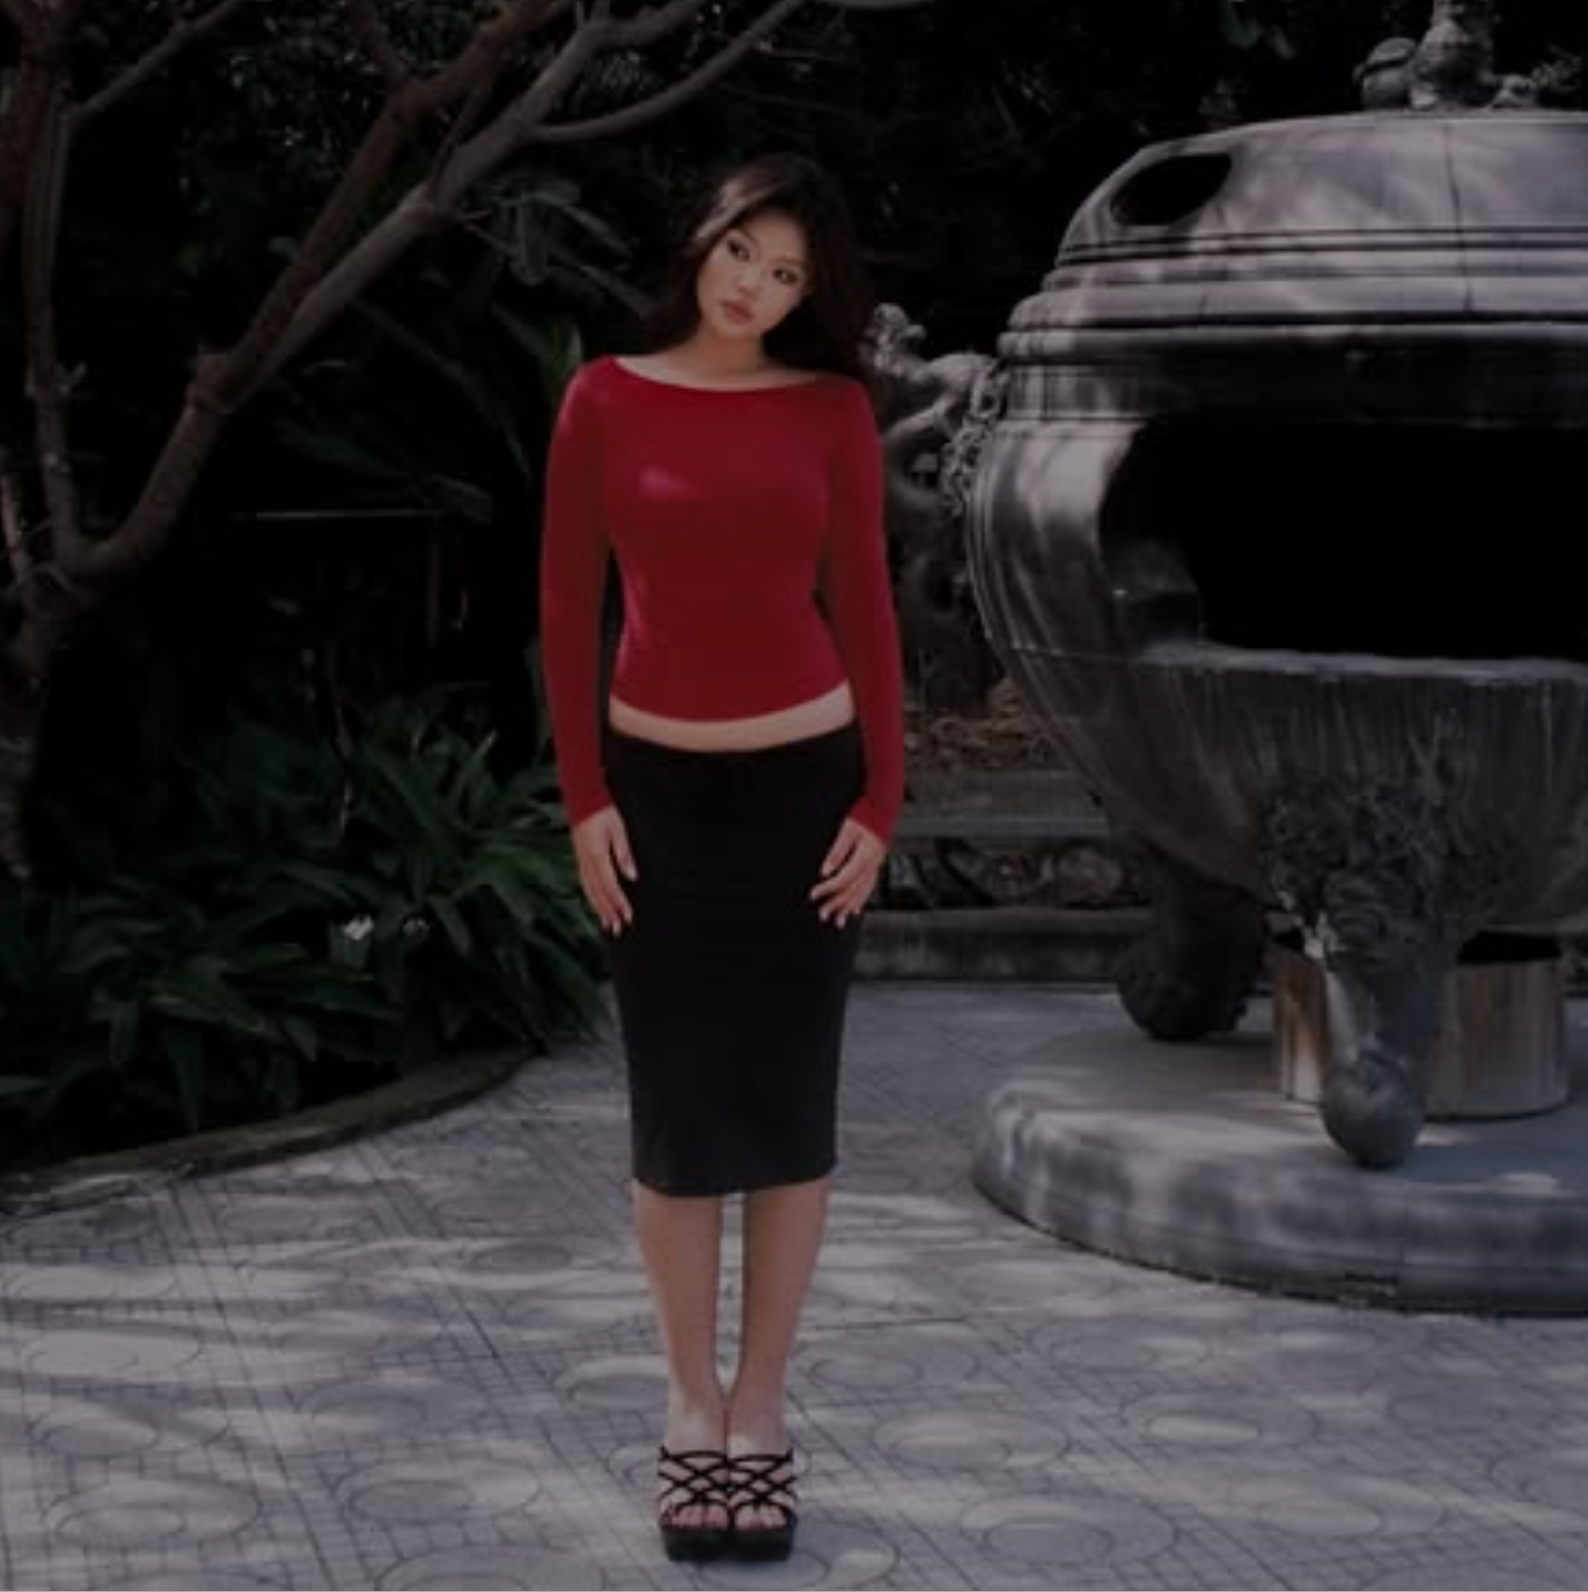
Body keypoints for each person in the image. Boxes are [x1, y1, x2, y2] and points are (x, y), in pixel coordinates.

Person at [537, 151, 905, 1564]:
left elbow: (864, 603)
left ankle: (761, 1410)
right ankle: (689, 1404)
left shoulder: (833, 411)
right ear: (704, 241)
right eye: (743, 251)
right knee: (681, 1118)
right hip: (656, 804)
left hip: (808, 796)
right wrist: (585, 798)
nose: (755, 286)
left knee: (790, 1113)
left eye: (789, 273)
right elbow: (566, 603)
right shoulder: (604, 397)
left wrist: (882, 800)